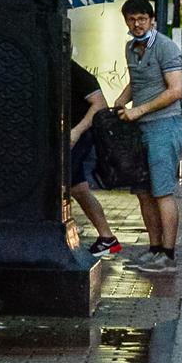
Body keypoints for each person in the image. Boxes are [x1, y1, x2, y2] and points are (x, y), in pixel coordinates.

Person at [112, 0, 182, 273]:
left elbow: (175, 89)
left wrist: (138, 110)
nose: (137, 24)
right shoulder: (131, 48)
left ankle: (168, 256)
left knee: (162, 192)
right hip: (140, 127)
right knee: (144, 193)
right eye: (131, 19)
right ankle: (154, 249)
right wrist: (119, 102)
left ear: (152, 20)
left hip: (164, 125)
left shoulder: (166, 47)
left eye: (142, 18)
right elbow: (137, 81)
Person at [65, 61, 120, 258]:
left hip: (78, 136)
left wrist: (76, 132)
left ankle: (58, 230)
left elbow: (100, 103)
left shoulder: (73, 71)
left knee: (59, 183)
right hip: (72, 136)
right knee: (78, 188)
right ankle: (107, 239)